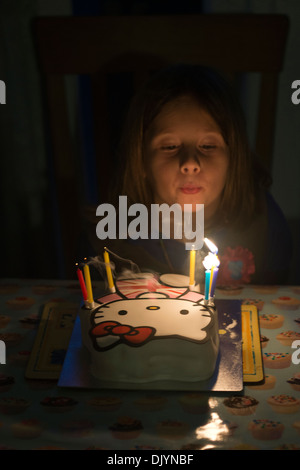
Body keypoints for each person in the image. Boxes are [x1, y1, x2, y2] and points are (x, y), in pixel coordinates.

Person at [86, 63, 292, 288]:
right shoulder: (113, 236)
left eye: (208, 146)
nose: (190, 163)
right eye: (170, 146)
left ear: (234, 157)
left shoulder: (263, 224)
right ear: (141, 159)